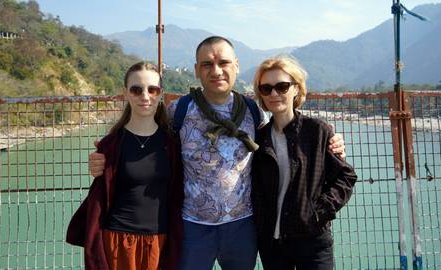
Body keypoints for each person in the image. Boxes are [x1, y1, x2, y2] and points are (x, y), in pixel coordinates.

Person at [88, 36, 346, 270]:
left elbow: (282, 140)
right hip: (192, 226)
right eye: (207, 64)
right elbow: (144, 129)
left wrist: (330, 143)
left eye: (223, 62)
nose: (216, 71)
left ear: (236, 65)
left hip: (243, 225)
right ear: (197, 70)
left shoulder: (253, 112)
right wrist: (108, 154)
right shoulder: (178, 110)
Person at [66, 61, 183, 270]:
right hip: (118, 243)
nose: (145, 96)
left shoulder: (172, 143)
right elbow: (100, 196)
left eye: (152, 89)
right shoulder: (111, 145)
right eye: (136, 90)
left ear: (161, 93)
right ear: (125, 94)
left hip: (160, 242)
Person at [250, 56, 357, 270]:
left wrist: (319, 211)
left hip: (312, 239)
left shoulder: (317, 131)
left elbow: (346, 177)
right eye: (266, 88)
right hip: (272, 243)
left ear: (296, 89)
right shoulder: (257, 138)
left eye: (282, 87)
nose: (274, 94)